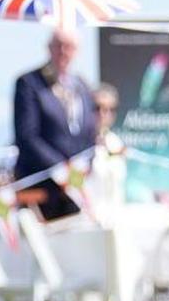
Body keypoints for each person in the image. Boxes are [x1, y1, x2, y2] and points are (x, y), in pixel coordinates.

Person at [9, 21, 102, 218]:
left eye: (69, 47)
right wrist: (61, 169)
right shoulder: (29, 83)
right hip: (40, 189)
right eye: (59, 45)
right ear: (49, 47)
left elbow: (89, 132)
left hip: (75, 190)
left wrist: (82, 171)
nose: (63, 52)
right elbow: (27, 136)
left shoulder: (82, 86)